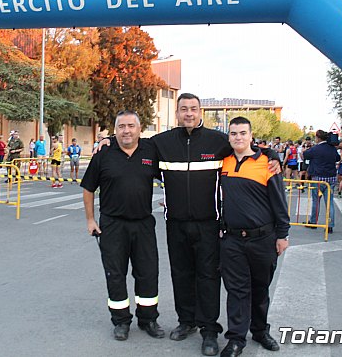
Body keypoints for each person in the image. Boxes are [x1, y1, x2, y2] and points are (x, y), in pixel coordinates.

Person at [96, 93, 280, 356]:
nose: (189, 113)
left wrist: (272, 153)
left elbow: (246, 148)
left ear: (200, 111)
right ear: (178, 114)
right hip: (176, 224)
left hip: (209, 224)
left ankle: (209, 330)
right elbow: (131, 139)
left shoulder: (218, 141)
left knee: (208, 277)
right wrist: (107, 140)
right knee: (181, 275)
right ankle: (186, 322)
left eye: (193, 109)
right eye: (184, 109)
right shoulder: (162, 142)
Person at [81, 110, 165, 342]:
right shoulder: (104, 153)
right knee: (115, 274)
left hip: (143, 224)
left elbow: (173, 173)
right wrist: (90, 220)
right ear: (115, 130)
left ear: (139, 129)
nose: (126, 130)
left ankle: (148, 319)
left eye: (131, 126)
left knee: (148, 273)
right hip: (112, 225)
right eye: (121, 126)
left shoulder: (151, 151)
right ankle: (120, 321)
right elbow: (88, 188)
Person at [219, 117, 290, 357]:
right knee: (237, 291)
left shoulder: (267, 164)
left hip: (263, 239)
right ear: (228, 137)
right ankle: (236, 339)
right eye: (233, 133)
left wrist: (283, 234)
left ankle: (260, 331)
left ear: (251, 136)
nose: (238, 137)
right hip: (232, 240)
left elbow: (279, 201)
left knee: (260, 289)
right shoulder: (223, 162)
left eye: (242, 133)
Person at [303, 130, 340, 233]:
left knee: (316, 201)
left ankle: (313, 222)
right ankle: (330, 225)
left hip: (318, 179)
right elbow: (338, 158)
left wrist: (307, 147)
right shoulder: (332, 148)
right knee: (329, 202)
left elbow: (305, 155)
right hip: (331, 179)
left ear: (318, 138)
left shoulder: (315, 149)